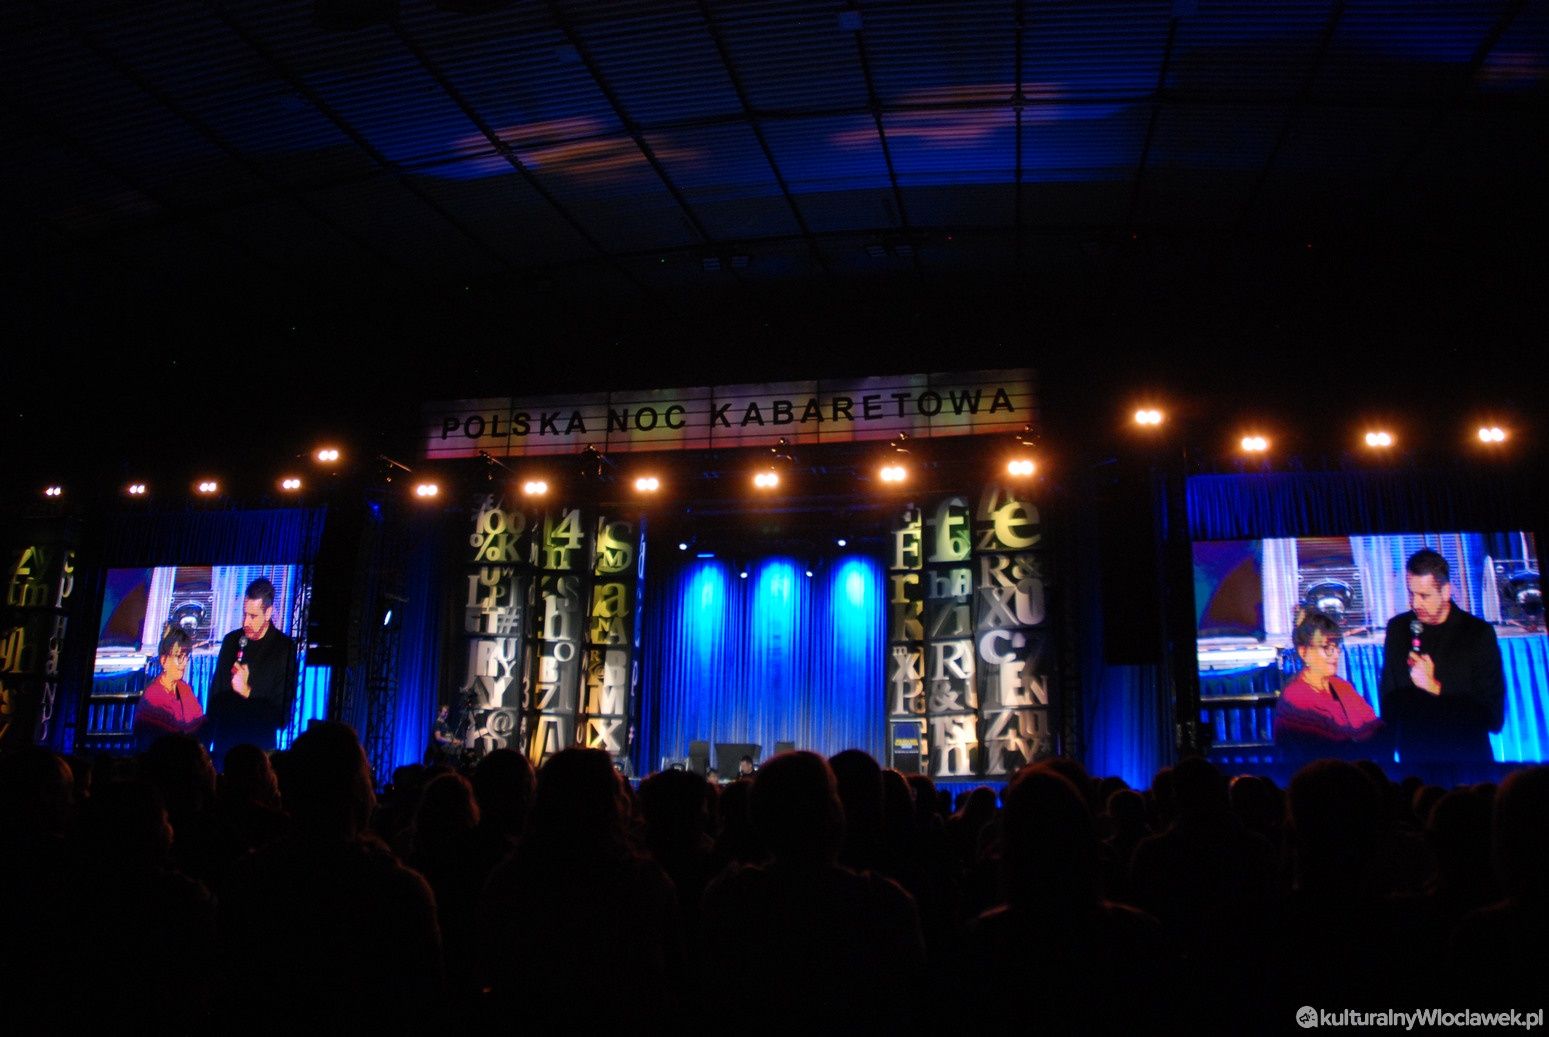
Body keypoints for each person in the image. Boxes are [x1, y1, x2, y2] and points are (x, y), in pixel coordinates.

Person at [1381, 549, 1505, 763]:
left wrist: (1435, 687)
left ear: (1446, 592)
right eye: (1411, 594)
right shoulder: (1398, 629)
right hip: (1415, 761)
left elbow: (1493, 717)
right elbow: (1389, 703)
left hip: (1467, 761)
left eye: (1424, 596)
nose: (1415, 604)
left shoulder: (1477, 633)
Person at [207, 578, 296, 756]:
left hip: (259, 749)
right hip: (225, 744)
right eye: (244, 614)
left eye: (253, 616)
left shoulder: (283, 648)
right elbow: (215, 696)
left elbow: (281, 716)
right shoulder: (231, 641)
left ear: (268, 613)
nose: (246, 622)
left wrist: (247, 691)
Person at [1275, 611, 1384, 753]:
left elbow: (1374, 727)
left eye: (1337, 647)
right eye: (1327, 648)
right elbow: (1324, 746)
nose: (1336, 654)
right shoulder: (1295, 696)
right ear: (1304, 652)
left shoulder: (1342, 686)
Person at [134, 625, 205, 751]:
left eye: (186, 657)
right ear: (163, 660)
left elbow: (200, 723)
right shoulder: (153, 695)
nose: (184, 663)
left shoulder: (185, 689)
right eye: (179, 657)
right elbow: (167, 738)